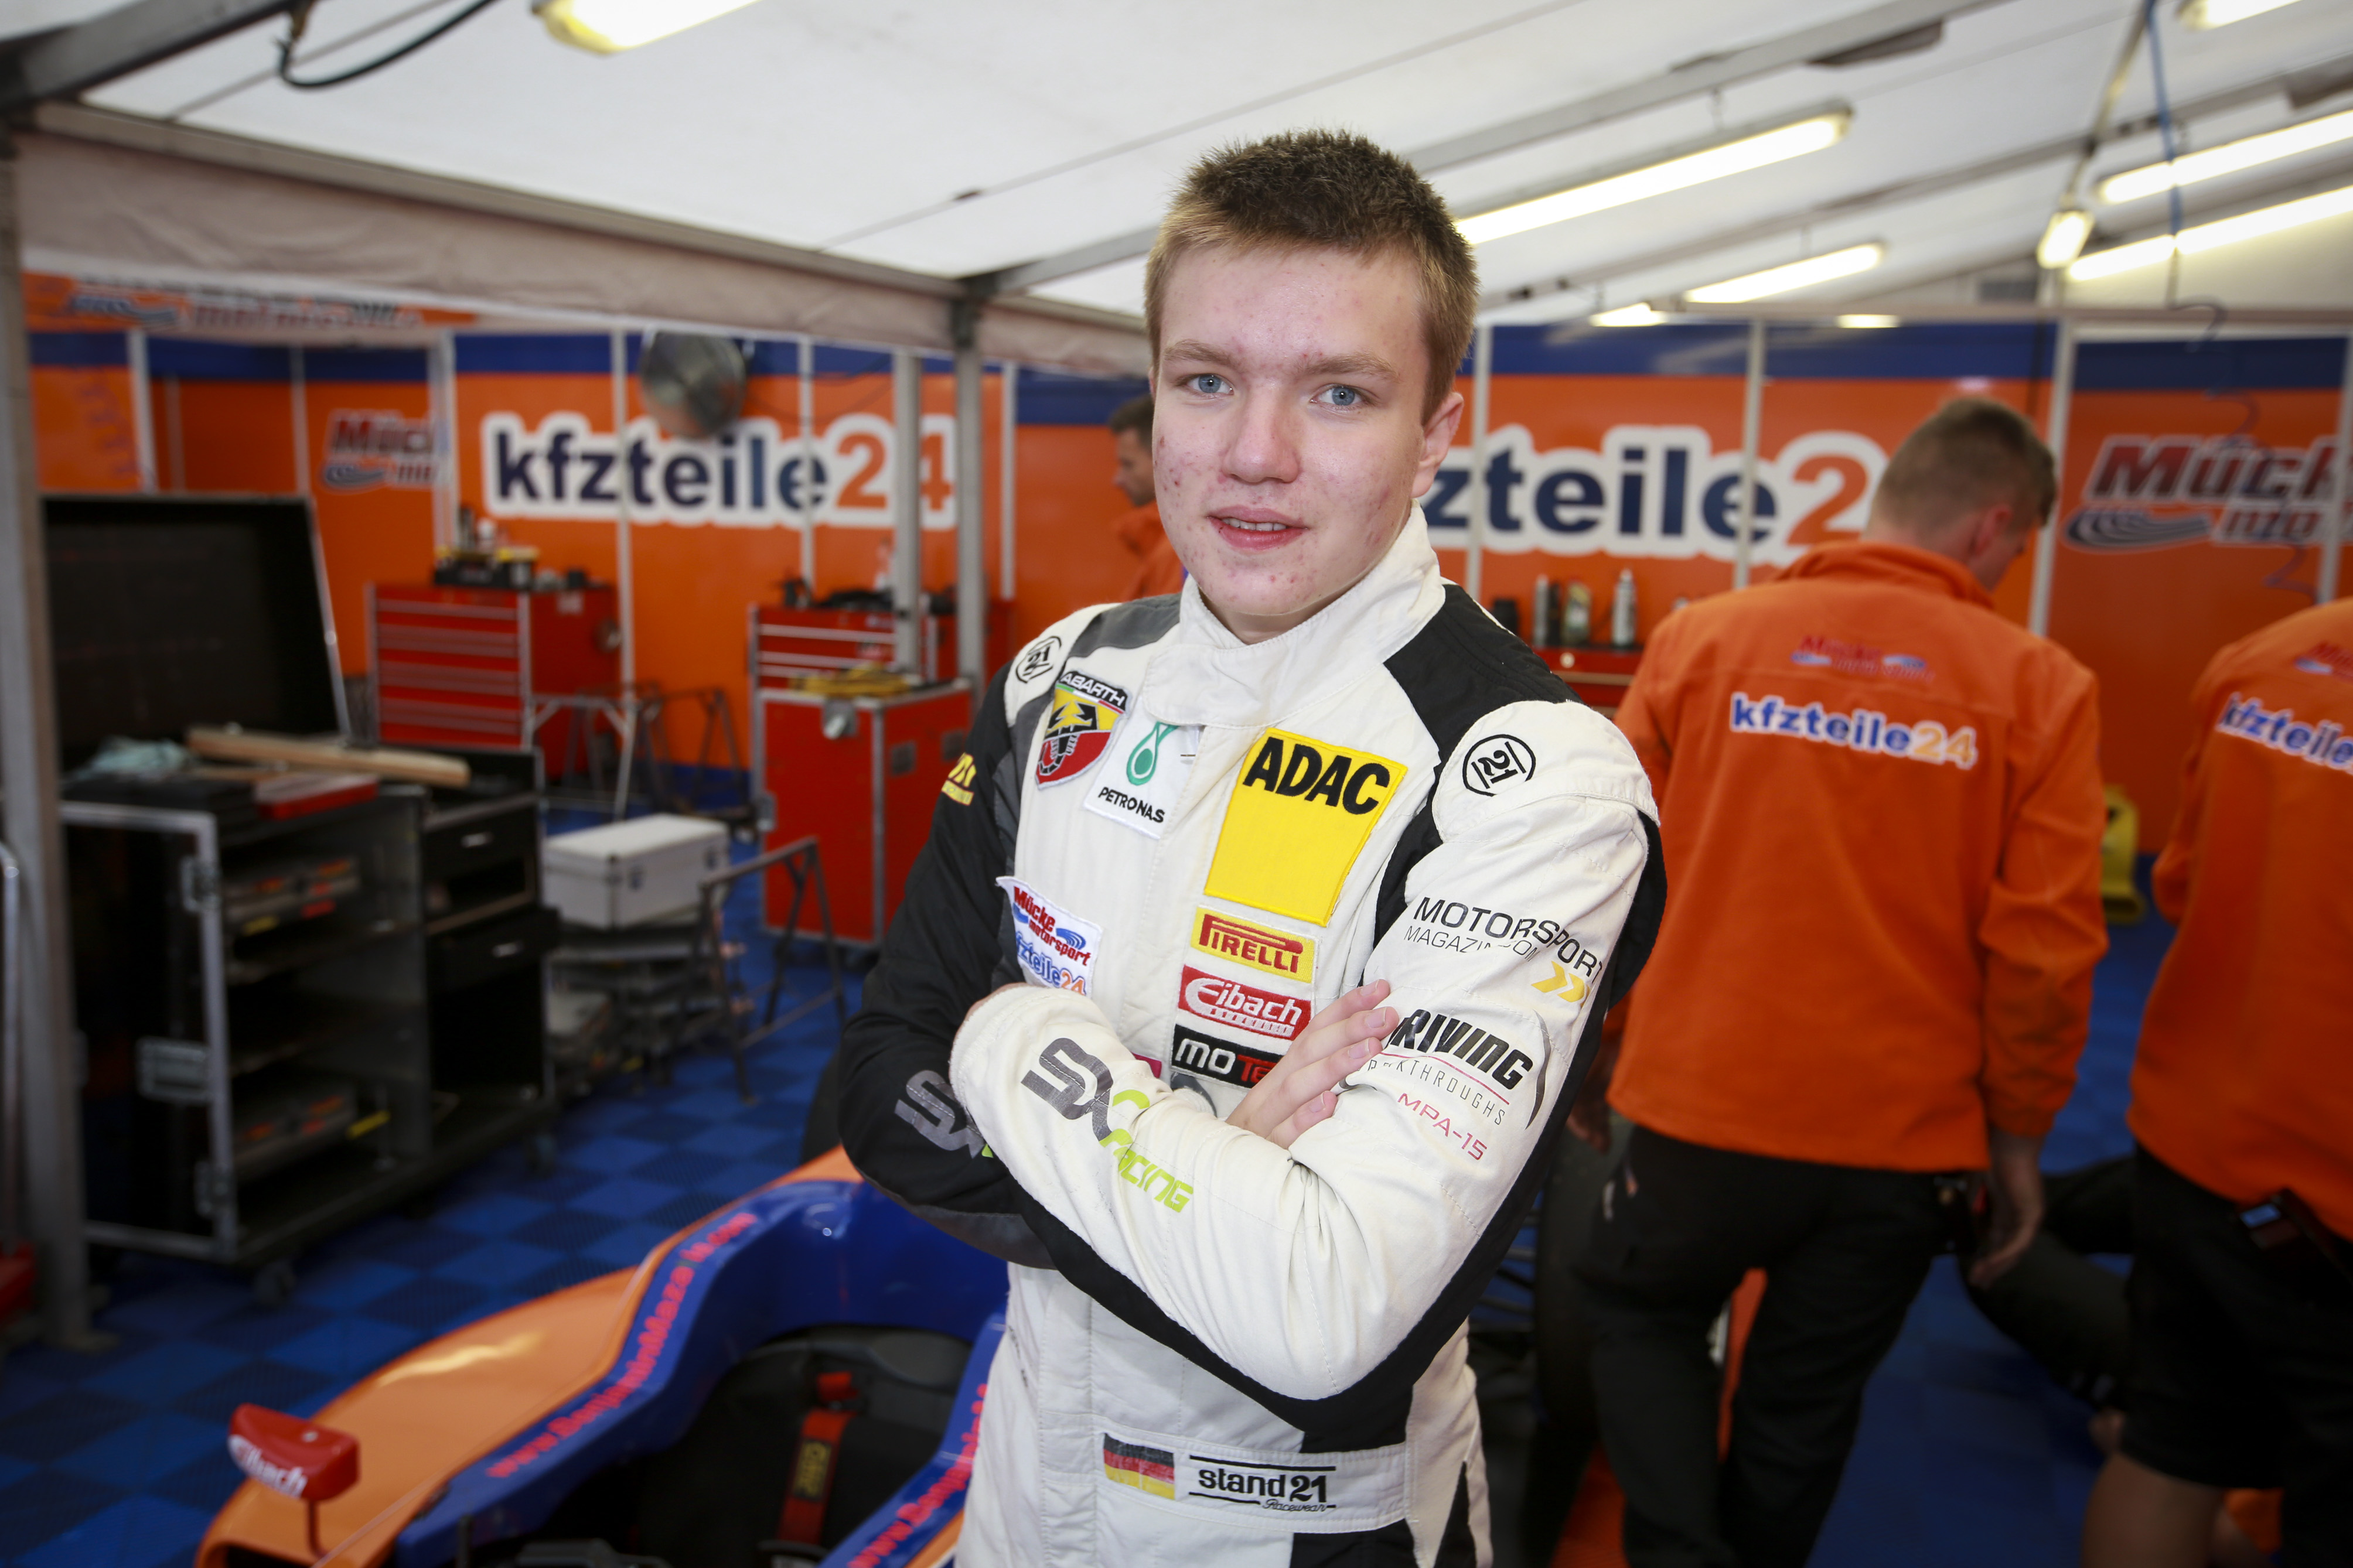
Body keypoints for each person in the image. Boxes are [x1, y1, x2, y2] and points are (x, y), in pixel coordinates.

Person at [836, 129, 1665, 1566]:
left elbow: (1324, 1321)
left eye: (1338, 392)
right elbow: (871, 1080)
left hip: (1307, 1529)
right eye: (1206, 380)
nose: (1253, 456)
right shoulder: (1060, 679)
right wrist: (1206, 1165)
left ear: (1435, 432)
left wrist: (1016, 1037)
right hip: (1020, 1493)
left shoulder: (1533, 779)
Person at [1575, 398, 2108, 1568]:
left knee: (1642, 1314)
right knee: (1802, 1404)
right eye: (2019, 546)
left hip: (1697, 1107)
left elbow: (1607, 870)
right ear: (1993, 526)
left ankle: (1675, 1557)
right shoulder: (2041, 685)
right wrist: (2016, 1143)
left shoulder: (1704, 641)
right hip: (1900, 1144)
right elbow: (2046, 952)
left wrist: (1596, 1047)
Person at [2082, 595, 2353, 1568]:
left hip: (2200, 1146)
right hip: (2332, 1196)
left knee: (2171, 1448)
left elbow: (2181, 882)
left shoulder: (2266, 659)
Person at [1109, 394, 1185, 599]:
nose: (1117, 480)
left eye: (1128, 464)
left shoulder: (1178, 551)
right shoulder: (1164, 542)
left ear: (1165, 458)